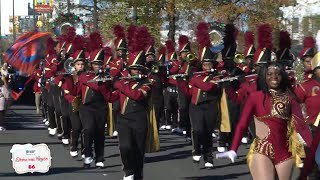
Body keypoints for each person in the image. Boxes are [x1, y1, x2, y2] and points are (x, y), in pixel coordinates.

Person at [216, 62, 312, 180]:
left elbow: (301, 125)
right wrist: (233, 149)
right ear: (264, 77)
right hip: (262, 151)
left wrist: (312, 148)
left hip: (286, 153)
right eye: (269, 74)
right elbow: (242, 124)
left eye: (277, 74)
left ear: (282, 76)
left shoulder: (290, 98)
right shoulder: (255, 97)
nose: (274, 77)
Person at [177, 22, 220, 168]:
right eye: (205, 64)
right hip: (196, 106)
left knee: (208, 132)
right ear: (201, 64)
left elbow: (208, 87)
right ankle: (196, 151)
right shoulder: (196, 74)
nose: (207, 66)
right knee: (197, 130)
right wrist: (181, 82)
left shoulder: (215, 77)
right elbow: (189, 92)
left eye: (209, 64)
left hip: (210, 106)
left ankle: (209, 158)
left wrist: (194, 79)